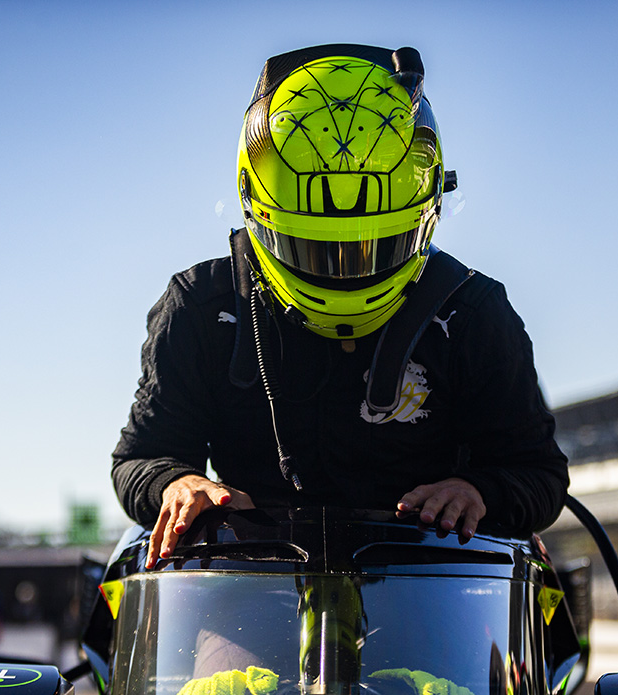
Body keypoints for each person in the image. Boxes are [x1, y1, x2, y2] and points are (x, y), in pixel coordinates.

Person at [113, 44, 569, 569]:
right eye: (317, 251)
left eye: (372, 248)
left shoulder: (474, 313)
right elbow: (140, 459)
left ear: (430, 209)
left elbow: (540, 474)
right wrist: (176, 483)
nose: (345, 272)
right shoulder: (201, 306)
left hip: (428, 591)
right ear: (257, 210)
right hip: (250, 593)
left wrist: (479, 490)